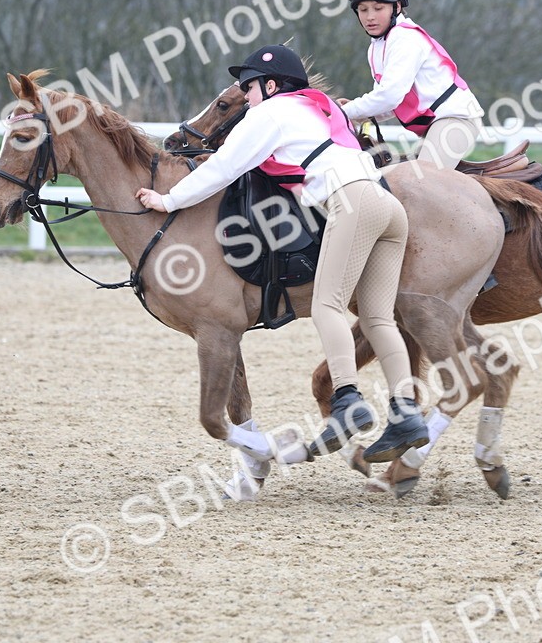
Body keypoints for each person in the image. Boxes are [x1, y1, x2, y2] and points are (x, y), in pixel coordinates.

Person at [135, 44, 427, 463]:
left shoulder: (269, 113)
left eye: (249, 88)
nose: (247, 97)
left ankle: (346, 401)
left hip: (352, 203)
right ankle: (407, 415)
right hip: (386, 206)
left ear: (271, 86)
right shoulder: (320, 108)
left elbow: (222, 169)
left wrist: (169, 201)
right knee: (378, 318)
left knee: (328, 304)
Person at [339, 0, 484, 170]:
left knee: (423, 183)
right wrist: (356, 112)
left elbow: (388, 97)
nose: (369, 16)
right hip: (436, 126)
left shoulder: (406, 39)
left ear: (397, 7)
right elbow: (389, 103)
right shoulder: (377, 47)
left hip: (455, 121)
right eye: (362, 9)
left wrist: (346, 112)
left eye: (378, 8)